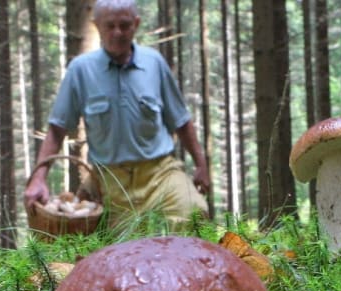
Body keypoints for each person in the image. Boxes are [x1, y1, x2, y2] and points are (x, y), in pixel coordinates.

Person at [23, 0, 210, 228]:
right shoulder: (81, 70)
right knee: (114, 245)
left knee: (194, 213)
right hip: (109, 180)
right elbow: (57, 128)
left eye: (125, 25)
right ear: (97, 25)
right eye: (110, 26)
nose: (117, 33)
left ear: (136, 24)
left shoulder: (155, 63)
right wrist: (38, 177)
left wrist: (201, 165)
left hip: (159, 173)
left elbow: (181, 121)